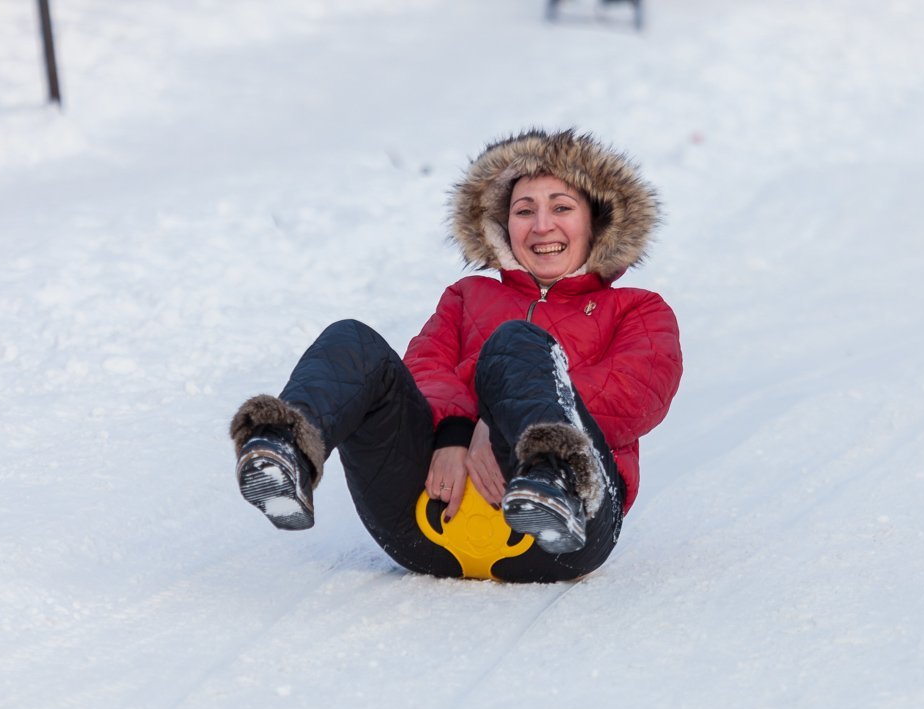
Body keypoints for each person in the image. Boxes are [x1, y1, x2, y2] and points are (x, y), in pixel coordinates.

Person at [229, 129, 682, 582]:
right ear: (503, 227)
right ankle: (284, 453)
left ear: (597, 221)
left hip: (567, 534)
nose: (542, 226)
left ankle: (551, 482)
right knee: (352, 341)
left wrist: (501, 419)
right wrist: (453, 432)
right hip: (423, 520)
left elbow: (636, 395)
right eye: (524, 211)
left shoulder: (638, 309)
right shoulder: (467, 296)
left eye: (561, 207)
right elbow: (426, 366)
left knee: (517, 342)